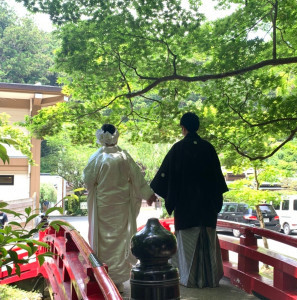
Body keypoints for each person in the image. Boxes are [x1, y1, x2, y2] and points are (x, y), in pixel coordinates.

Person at [150, 112, 228, 288]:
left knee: (187, 246)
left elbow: (163, 177)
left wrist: (165, 195)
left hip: (186, 208)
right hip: (207, 208)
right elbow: (218, 180)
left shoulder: (178, 149)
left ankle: (190, 280)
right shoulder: (208, 148)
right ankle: (209, 280)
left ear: (183, 128)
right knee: (207, 243)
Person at [83, 124, 157, 293]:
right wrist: (148, 195)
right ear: (116, 136)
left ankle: (103, 277)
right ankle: (118, 280)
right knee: (122, 241)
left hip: (103, 208)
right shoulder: (124, 156)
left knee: (102, 242)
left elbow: (88, 181)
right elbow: (137, 178)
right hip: (122, 207)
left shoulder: (97, 158)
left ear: (100, 136)